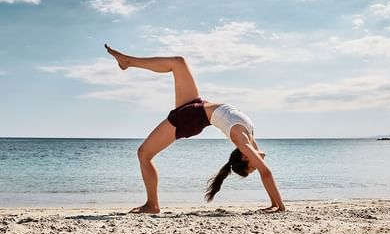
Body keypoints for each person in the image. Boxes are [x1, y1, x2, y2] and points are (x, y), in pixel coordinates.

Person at [105, 44, 285, 214]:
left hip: (192, 118)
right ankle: (127, 61)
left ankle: (152, 204)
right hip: (195, 106)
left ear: (245, 155)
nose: (257, 164)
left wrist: (276, 205)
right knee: (178, 62)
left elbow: (264, 171)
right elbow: (264, 165)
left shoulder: (242, 140)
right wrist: (278, 205)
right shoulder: (248, 138)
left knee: (143, 154)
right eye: (252, 168)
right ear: (246, 156)